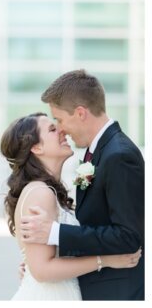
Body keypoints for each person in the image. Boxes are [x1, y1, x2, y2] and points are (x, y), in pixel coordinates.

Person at [17, 70, 144, 300]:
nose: (61, 129)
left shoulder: (118, 155)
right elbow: (95, 222)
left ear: (80, 113)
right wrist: (40, 261)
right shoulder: (97, 152)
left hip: (118, 292)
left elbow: (128, 236)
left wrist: (55, 234)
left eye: (60, 120)